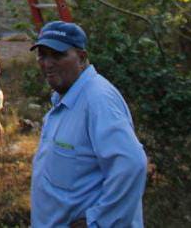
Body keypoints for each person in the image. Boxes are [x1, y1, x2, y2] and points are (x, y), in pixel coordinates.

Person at [30, 21, 148, 228]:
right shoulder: (64, 100)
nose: (47, 63)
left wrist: (98, 220)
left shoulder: (97, 99)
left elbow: (131, 165)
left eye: (57, 55)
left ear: (81, 58)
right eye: (42, 55)